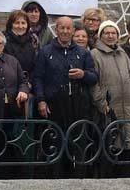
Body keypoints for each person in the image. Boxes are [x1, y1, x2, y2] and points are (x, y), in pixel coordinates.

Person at [33, 16, 98, 176]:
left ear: (73, 31)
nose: (65, 31)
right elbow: (38, 78)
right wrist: (41, 100)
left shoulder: (82, 53)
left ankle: (78, 180)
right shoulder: (45, 52)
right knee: (55, 144)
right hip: (55, 106)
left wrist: (83, 74)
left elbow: (94, 77)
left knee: (78, 145)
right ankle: (56, 179)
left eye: (68, 28)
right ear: (56, 30)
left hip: (78, 105)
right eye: (62, 28)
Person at [90, 21, 130, 167]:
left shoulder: (122, 53)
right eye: (106, 33)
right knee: (112, 144)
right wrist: (101, 102)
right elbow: (94, 83)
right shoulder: (95, 54)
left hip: (129, 105)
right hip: (110, 107)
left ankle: (128, 177)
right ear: (101, 36)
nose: (110, 36)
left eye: (113, 33)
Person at [4, 10, 39, 93]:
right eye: (17, 23)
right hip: (9, 87)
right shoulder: (3, 40)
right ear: (11, 24)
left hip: (28, 86)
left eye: (23, 23)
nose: (20, 26)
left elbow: (35, 65)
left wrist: (29, 82)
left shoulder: (32, 41)